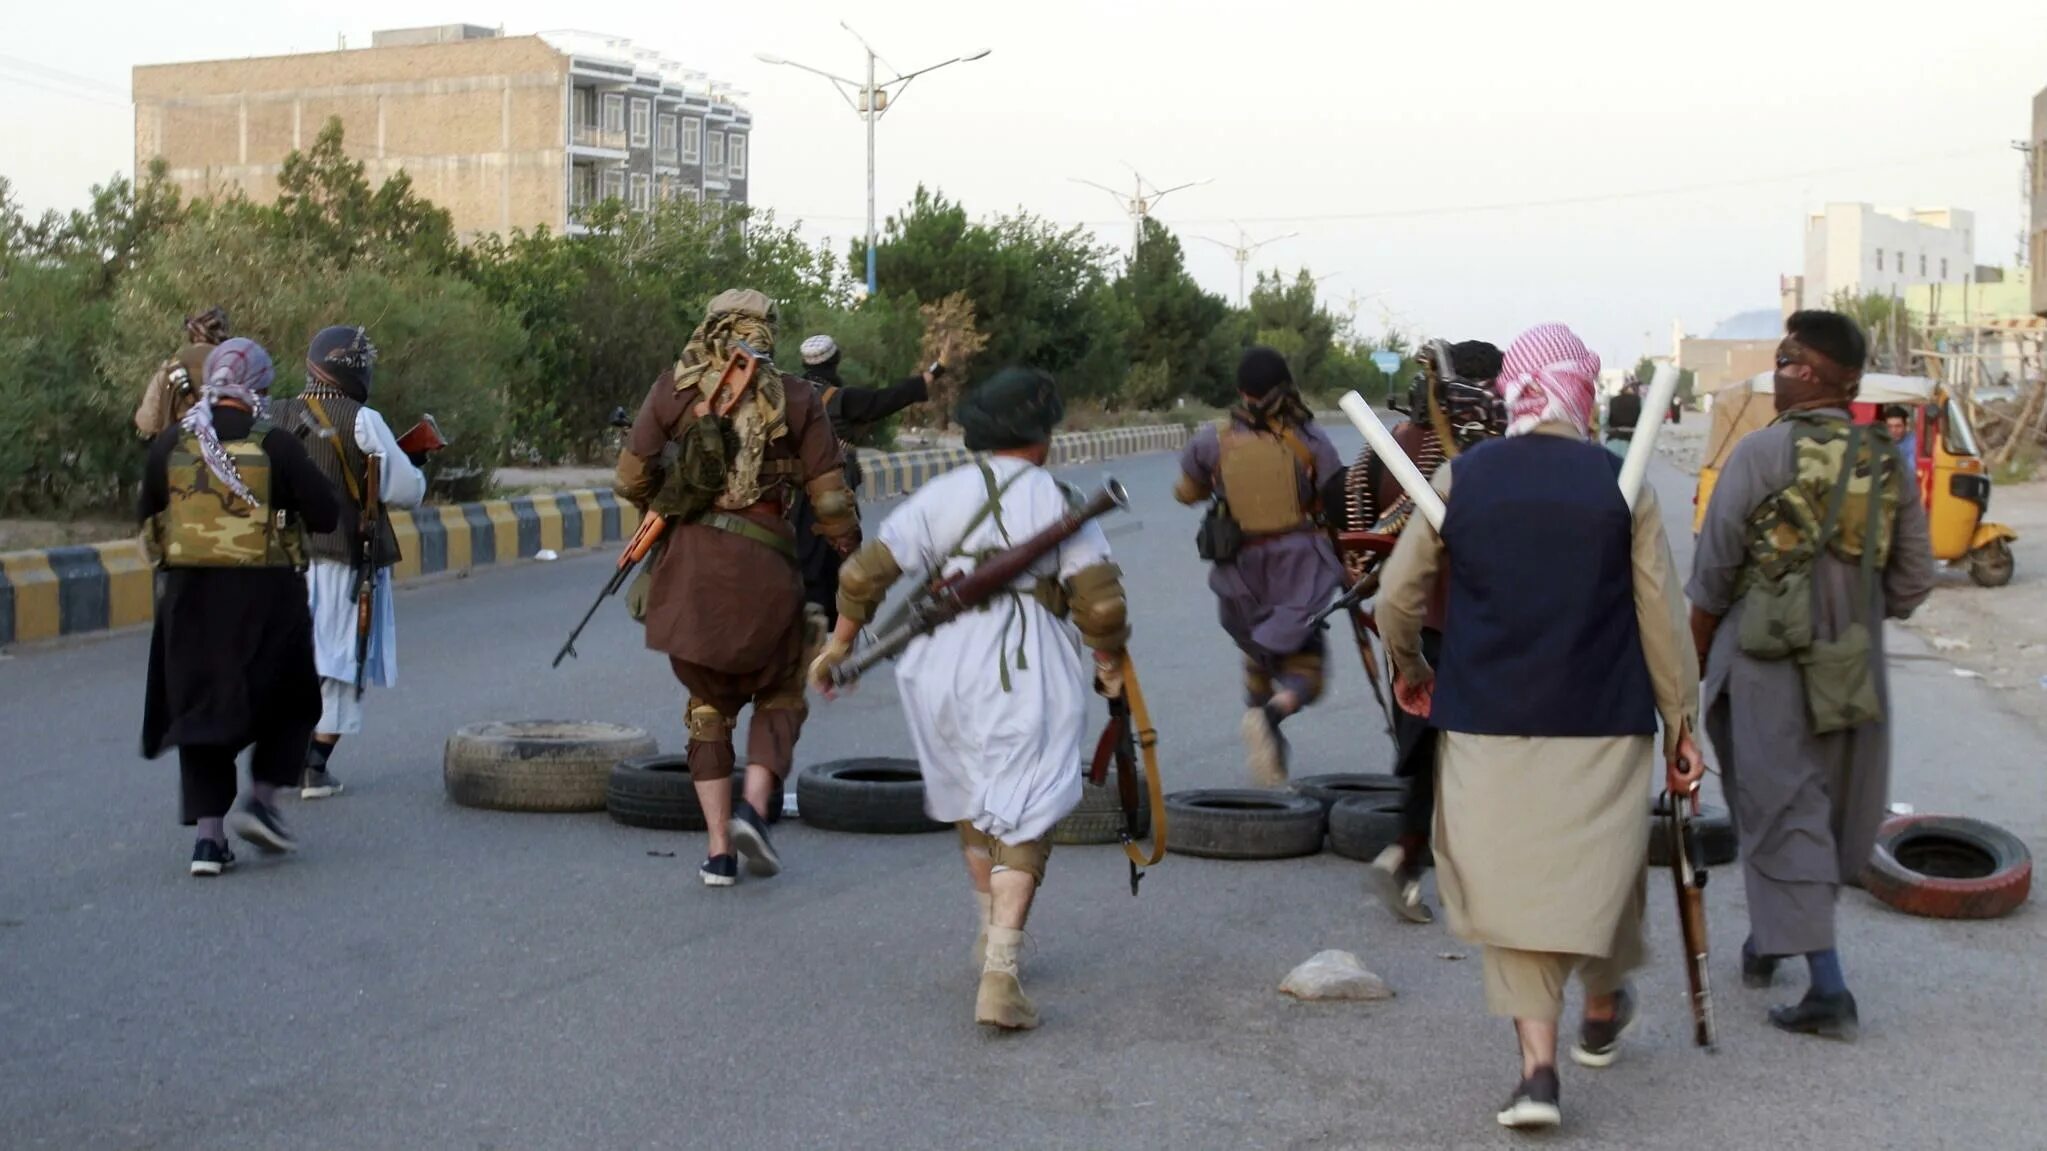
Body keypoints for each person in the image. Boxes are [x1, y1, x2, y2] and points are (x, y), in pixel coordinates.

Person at [1376, 323, 1702, 1131]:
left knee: (1515, 889)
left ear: (1511, 393)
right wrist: (1681, 725)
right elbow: (1659, 615)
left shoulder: (1462, 478)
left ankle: (1537, 1074)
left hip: (1488, 723)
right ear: (1583, 390)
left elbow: (1394, 601)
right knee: (1598, 869)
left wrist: (1415, 672)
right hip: (1604, 722)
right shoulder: (1618, 482)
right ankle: (1599, 1002)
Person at [810, 367, 1130, 1031]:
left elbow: (865, 573)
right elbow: (1098, 603)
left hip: (935, 665)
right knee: (1026, 803)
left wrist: (839, 646)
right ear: (1041, 435)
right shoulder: (1059, 498)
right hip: (1020, 661)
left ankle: (987, 929)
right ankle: (1001, 975)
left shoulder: (942, 493)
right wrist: (1108, 662)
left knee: (971, 792)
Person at [1689, 311, 1935, 1041]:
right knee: (1824, 807)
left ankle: (1827, 987)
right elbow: (1914, 577)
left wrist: (1690, 668)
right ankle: (1767, 943)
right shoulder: (1885, 459)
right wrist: (1853, 607)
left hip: (1768, 661)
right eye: (1780, 356)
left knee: (1779, 806)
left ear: (1826, 378)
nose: (1779, 371)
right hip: (1851, 663)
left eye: (1791, 360)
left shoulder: (1760, 454)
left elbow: (1711, 577)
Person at [615, 290, 857, 888]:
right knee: (779, 692)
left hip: (691, 574)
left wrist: (670, 505)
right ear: (766, 333)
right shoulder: (797, 397)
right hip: (768, 569)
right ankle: (755, 806)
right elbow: (830, 500)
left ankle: (719, 851)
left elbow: (629, 477)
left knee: (706, 708)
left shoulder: (673, 389)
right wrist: (850, 554)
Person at [139, 338, 341, 875]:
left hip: (188, 604)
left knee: (200, 712)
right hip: (267, 600)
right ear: (257, 389)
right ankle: (264, 801)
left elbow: (147, 516)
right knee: (293, 700)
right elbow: (325, 513)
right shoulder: (275, 442)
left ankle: (208, 841)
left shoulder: (170, 444)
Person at [1323, 339, 1505, 924]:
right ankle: (1439, 867)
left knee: (1423, 750)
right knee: (1472, 757)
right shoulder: (1490, 453)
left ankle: (1407, 857)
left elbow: (1344, 516)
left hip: (1408, 624)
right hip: (1473, 624)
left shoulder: (1396, 445)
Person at [1174, 347, 1346, 785]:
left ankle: (1259, 715)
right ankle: (1271, 714)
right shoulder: (1309, 439)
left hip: (1240, 570)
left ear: (1240, 393)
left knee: (1257, 650)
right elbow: (1337, 496)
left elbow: (1185, 491)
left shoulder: (1214, 440)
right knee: (1306, 665)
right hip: (1299, 568)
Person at [271, 326, 427, 799]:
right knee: (341, 660)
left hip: (279, 560)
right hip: (341, 559)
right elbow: (404, 490)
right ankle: (313, 765)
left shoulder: (272, 413)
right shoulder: (362, 419)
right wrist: (417, 463)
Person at [793, 334, 933, 626]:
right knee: (840, 548)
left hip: (790, 490)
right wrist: (927, 378)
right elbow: (886, 399)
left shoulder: (788, 393)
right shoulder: (843, 398)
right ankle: (835, 626)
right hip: (831, 492)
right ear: (836, 360)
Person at [134, 307, 231, 440]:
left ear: (192, 332)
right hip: (226, 452)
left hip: (179, 451)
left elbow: (147, 422)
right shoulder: (235, 366)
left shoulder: (171, 366)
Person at [1604, 380, 1642, 450]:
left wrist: (1607, 429)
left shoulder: (1612, 400)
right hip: (1633, 440)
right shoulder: (1639, 401)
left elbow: (1603, 420)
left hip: (1613, 438)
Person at [1883, 404, 1918, 470]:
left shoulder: (1913, 442)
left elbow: (1911, 469)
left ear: (1906, 426)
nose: (1893, 430)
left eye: (1898, 426)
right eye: (1889, 426)